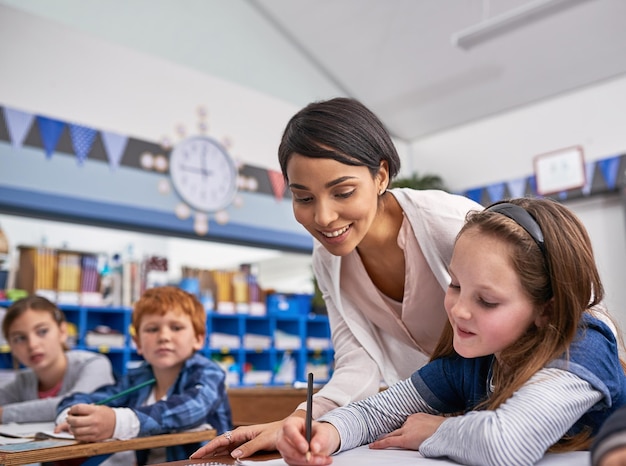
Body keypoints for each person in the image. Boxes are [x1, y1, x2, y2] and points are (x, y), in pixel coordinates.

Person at [191, 97, 482, 460]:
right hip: (442, 414)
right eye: (304, 197)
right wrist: (300, 419)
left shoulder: (453, 226)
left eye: (343, 192)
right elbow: (358, 361)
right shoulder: (328, 259)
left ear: (381, 175)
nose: (324, 217)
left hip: (517, 407)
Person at [275, 197, 626, 466]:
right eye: (455, 285)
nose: (458, 310)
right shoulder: (475, 356)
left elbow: (507, 443)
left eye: (487, 301)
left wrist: (435, 430)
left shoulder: (582, 347)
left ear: (545, 308)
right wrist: (326, 433)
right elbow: (378, 412)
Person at [55, 286, 232, 465]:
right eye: (152, 329)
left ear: (198, 339)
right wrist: (74, 416)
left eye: (176, 328)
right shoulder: (139, 377)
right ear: (137, 342)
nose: (164, 336)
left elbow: (189, 409)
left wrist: (117, 422)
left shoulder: (209, 373)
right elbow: (88, 398)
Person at [0, 295, 115, 423]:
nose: (32, 344)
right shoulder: (22, 382)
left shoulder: (94, 364)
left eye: (42, 331)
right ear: (11, 347)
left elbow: (76, 405)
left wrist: (4, 414)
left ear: (62, 331)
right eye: (20, 338)